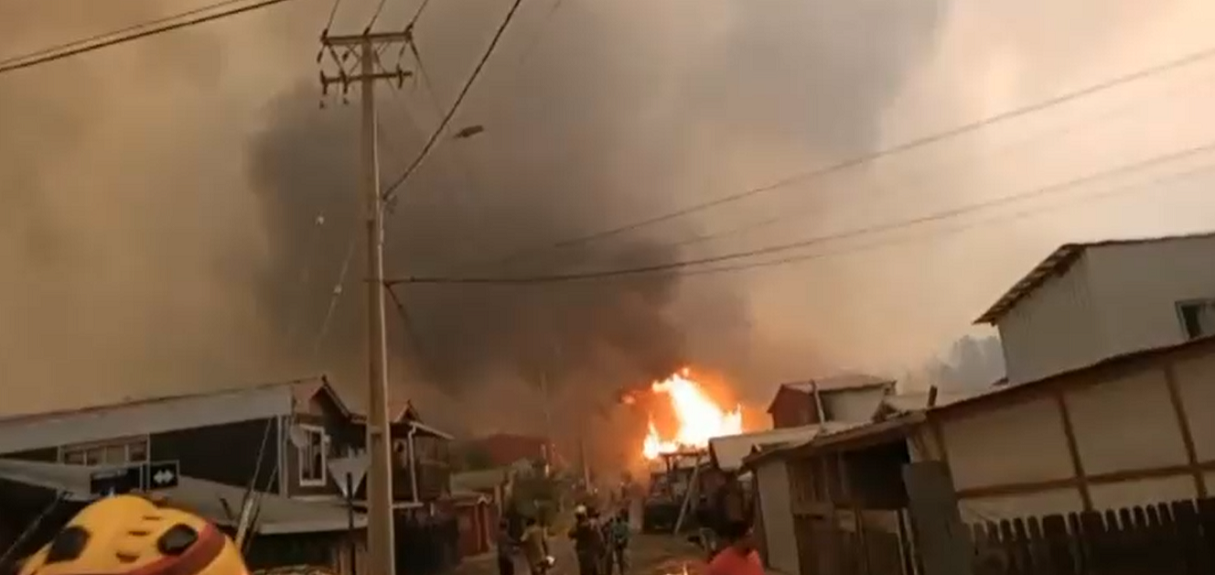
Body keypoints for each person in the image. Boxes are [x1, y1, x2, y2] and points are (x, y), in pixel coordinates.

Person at [568, 507, 604, 575]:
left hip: (583, 554)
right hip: (592, 554)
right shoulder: (592, 524)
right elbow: (600, 538)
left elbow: (570, 534)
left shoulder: (578, 527)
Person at [606, 510, 631, 575]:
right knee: (618, 560)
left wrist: (622, 540)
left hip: (624, 544)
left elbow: (627, 534)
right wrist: (614, 540)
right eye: (617, 516)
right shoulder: (614, 525)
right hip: (616, 544)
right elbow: (612, 534)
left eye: (619, 516)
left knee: (624, 560)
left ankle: (624, 572)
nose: (618, 517)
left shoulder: (625, 525)